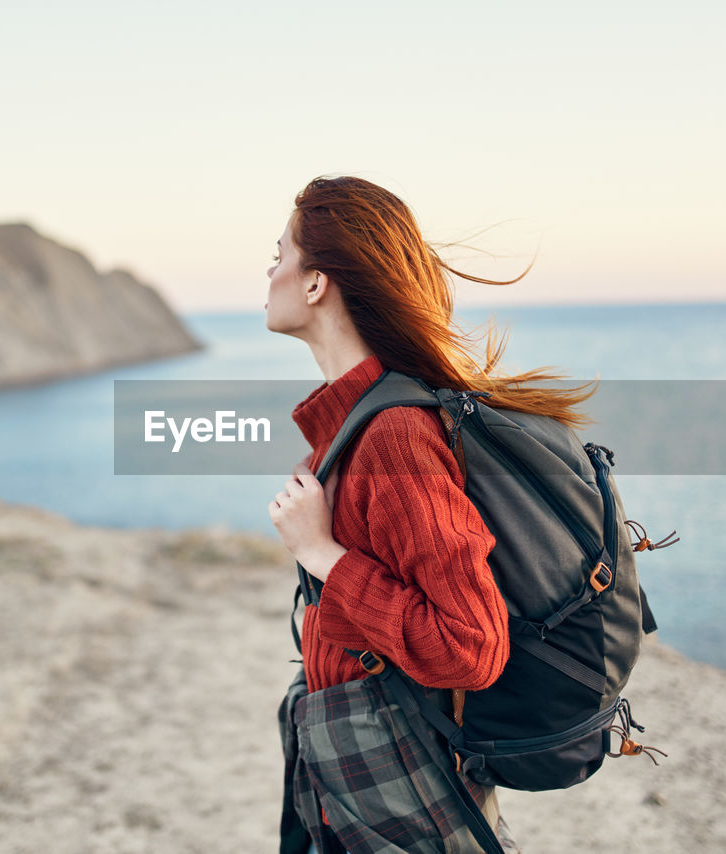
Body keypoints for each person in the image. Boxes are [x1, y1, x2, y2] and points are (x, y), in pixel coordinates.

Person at [265, 176, 593, 854]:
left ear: (317, 281)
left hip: (402, 799)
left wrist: (322, 555)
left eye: (279, 254)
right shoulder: (356, 428)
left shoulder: (394, 435)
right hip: (354, 787)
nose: (269, 271)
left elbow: (471, 646)